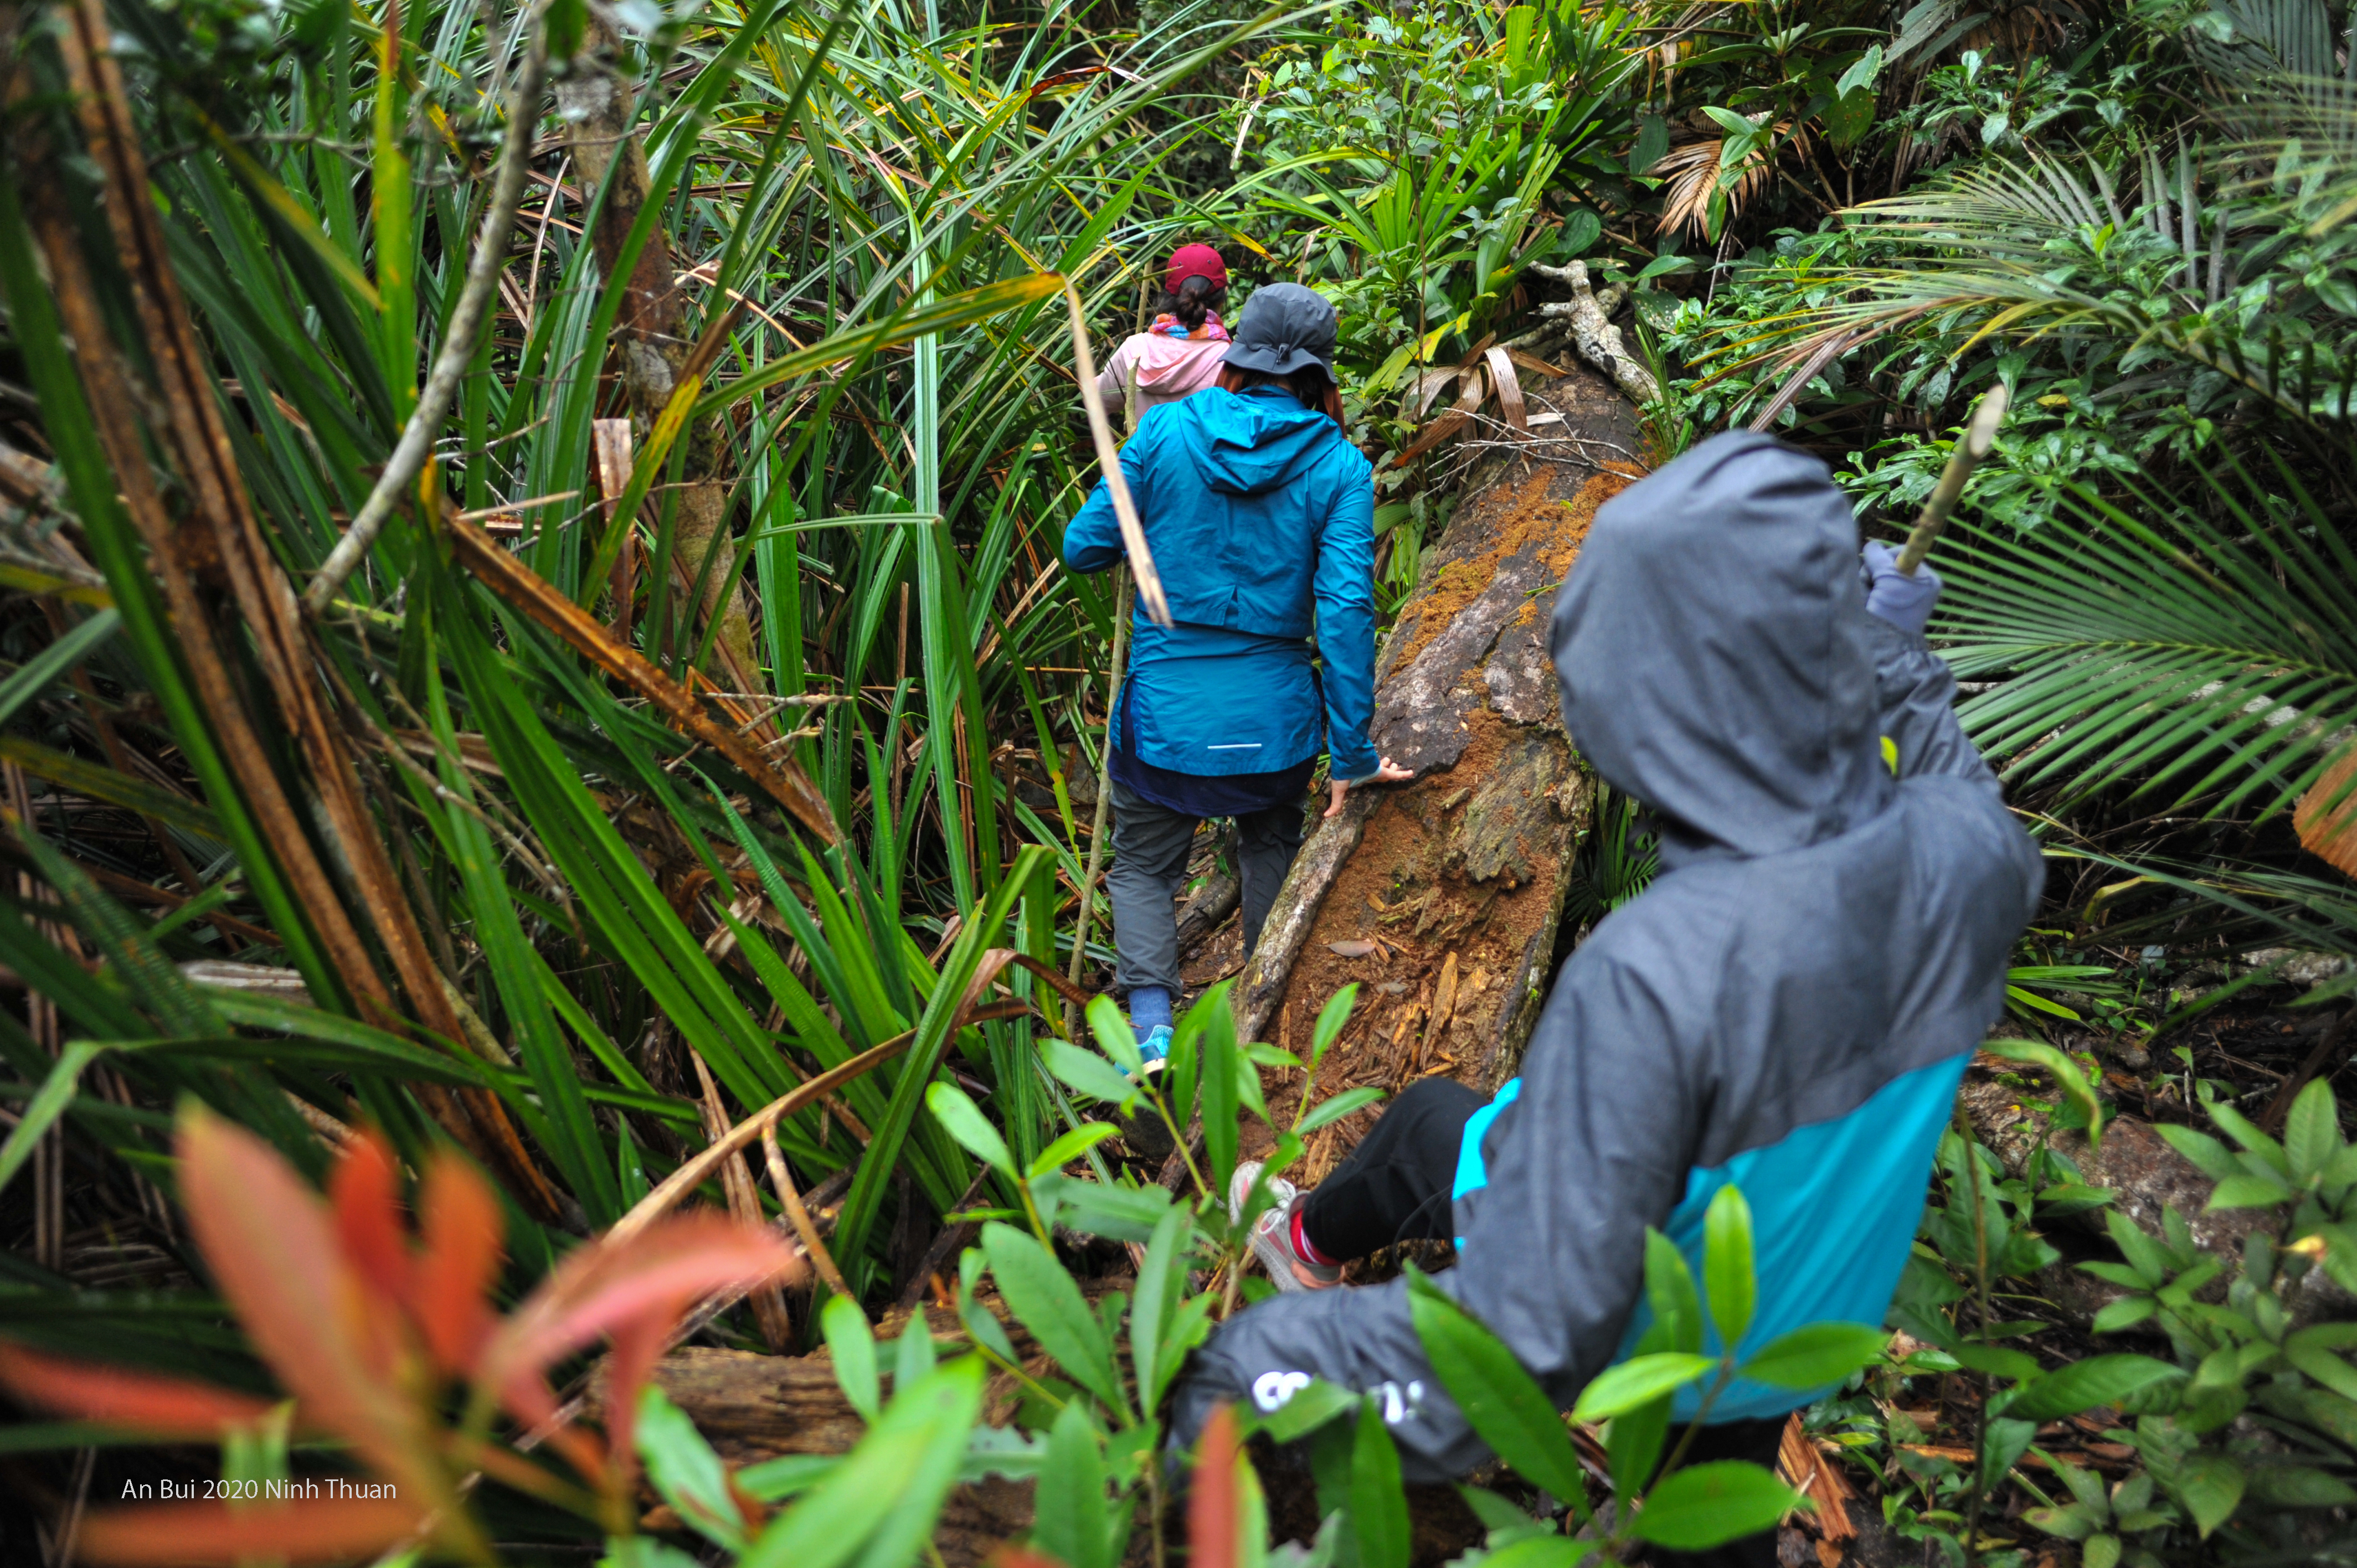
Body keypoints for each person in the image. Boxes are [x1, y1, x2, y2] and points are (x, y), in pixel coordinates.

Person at [1172, 431, 2046, 1566]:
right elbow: (1948, 772)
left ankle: (1305, 1245)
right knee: (1707, 1510)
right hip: (1796, 1316)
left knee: (1435, 1125)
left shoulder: (1660, 972)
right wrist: (1889, 661)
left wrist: (1271, 1365)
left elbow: (1526, 1337)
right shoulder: (1976, 858)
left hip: (1650, 1314)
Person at [1063, 283, 1413, 1064]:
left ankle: (1150, 1030)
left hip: (1165, 722)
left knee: (1145, 868)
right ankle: (1261, 1010)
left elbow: (1082, 547)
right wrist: (1352, 755)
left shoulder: (1164, 435)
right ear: (1321, 373)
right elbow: (1347, 611)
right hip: (1274, 734)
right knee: (1268, 847)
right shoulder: (1341, 466)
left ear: (1238, 356)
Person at [1094, 245, 1236, 421]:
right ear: (1223, 297)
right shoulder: (1229, 360)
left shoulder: (1134, 349)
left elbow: (1094, 401)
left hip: (1143, 449)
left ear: (1168, 295)